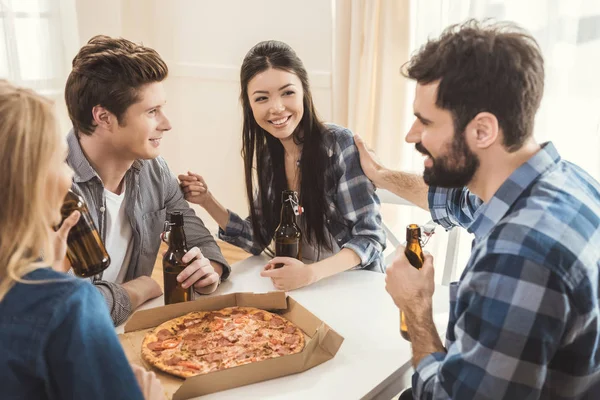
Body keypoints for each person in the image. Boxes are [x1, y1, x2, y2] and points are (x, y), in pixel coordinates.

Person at [355, 20, 600, 398]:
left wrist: (416, 308)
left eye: (425, 121)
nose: (411, 135)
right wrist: (383, 176)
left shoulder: (520, 254)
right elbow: (455, 201)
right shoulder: (566, 182)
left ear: (482, 131)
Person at [0, 80, 165, 400]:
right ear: (30, 181)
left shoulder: (156, 173)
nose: (71, 176)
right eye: (61, 160)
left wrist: (48, 270)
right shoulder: (68, 304)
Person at [180, 40, 385, 291]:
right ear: (250, 105)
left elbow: (370, 238)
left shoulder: (339, 145)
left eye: (287, 92)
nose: (276, 108)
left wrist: (309, 274)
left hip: (353, 284)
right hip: (300, 285)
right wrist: (207, 200)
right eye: (262, 98)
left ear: (304, 91)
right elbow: (257, 239)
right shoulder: (269, 157)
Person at [64, 35, 231, 325]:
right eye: (152, 112)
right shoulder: (49, 188)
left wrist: (208, 269)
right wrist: (139, 289)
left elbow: (201, 241)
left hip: (121, 334)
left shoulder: (155, 171)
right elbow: (65, 312)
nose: (166, 124)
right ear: (104, 117)